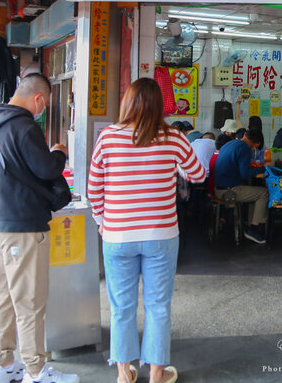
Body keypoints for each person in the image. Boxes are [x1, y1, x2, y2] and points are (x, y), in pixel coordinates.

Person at [88, 78, 205, 383]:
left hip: (117, 235)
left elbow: (93, 188)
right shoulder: (174, 138)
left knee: (121, 307)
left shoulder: (108, 137)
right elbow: (198, 173)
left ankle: (124, 373)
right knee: (158, 306)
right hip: (161, 236)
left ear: (127, 102)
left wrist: (102, 222)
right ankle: (156, 374)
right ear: (159, 106)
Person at [0, 73, 75, 383]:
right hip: (21, 225)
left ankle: (3, 366)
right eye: (44, 103)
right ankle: (35, 370)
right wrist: (60, 151)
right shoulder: (24, 126)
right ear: (39, 99)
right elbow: (46, 168)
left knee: (2, 296)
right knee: (29, 300)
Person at [213, 128, 270, 244]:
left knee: (255, 193)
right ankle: (253, 229)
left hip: (217, 188)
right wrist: (265, 167)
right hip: (228, 190)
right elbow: (245, 174)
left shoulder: (230, 143)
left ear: (245, 134)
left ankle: (251, 225)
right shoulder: (245, 148)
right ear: (257, 144)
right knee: (264, 193)